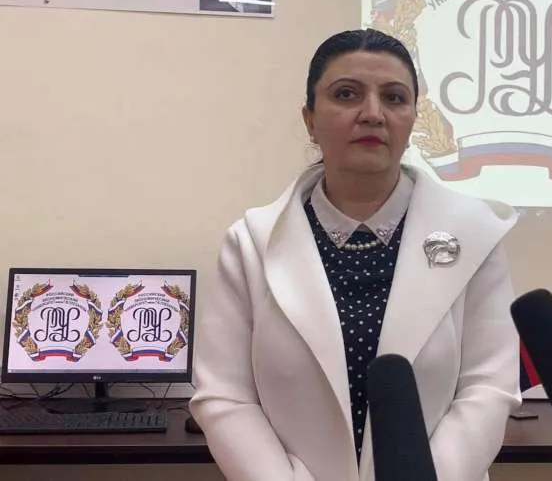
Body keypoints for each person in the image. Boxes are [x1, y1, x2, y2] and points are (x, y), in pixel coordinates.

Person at [189, 28, 521, 481]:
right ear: (309, 119)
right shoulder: (250, 244)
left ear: (413, 119)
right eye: (346, 94)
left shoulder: (475, 235)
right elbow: (226, 397)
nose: (373, 114)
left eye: (394, 98)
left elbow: (488, 388)